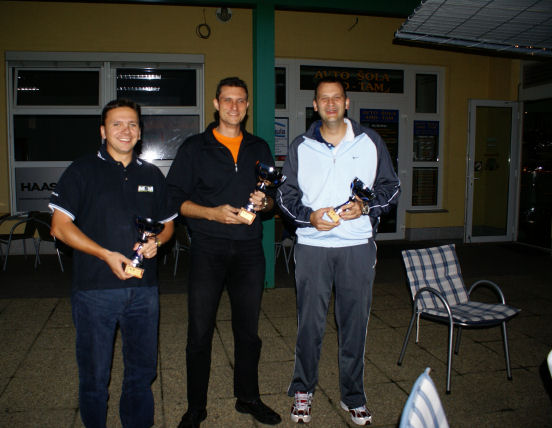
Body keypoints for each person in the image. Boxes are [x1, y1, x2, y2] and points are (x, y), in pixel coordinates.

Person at [277, 76, 400, 426]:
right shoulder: (301, 146)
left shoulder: (370, 141)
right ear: (315, 105)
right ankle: (303, 390)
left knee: (354, 325)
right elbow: (285, 195)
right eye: (323, 99)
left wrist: (365, 207)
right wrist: (309, 217)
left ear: (347, 103)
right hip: (313, 246)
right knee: (309, 325)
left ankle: (353, 396)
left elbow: (391, 188)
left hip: (356, 246)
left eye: (337, 98)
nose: (330, 104)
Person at [49, 99, 176, 428]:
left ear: (140, 132)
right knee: (94, 377)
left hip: (144, 290)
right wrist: (105, 254)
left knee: (142, 373)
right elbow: (59, 227)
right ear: (103, 131)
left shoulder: (151, 174)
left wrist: (157, 241)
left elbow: (168, 225)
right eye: (117, 124)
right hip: (95, 290)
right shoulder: (82, 170)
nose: (125, 130)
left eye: (132, 124)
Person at [166, 77, 282, 428]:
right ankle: (196, 407)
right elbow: (174, 200)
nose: (234, 106)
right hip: (208, 249)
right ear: (216, 104)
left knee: (248, 332)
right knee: (200, 332)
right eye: (227, 100)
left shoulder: (259, 147)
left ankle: (248, 397)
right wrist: (211, 213)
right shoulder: (195, 148)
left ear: (247, 106)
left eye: (240, 100)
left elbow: (273, 201)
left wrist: (265, 203)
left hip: (249, 251)